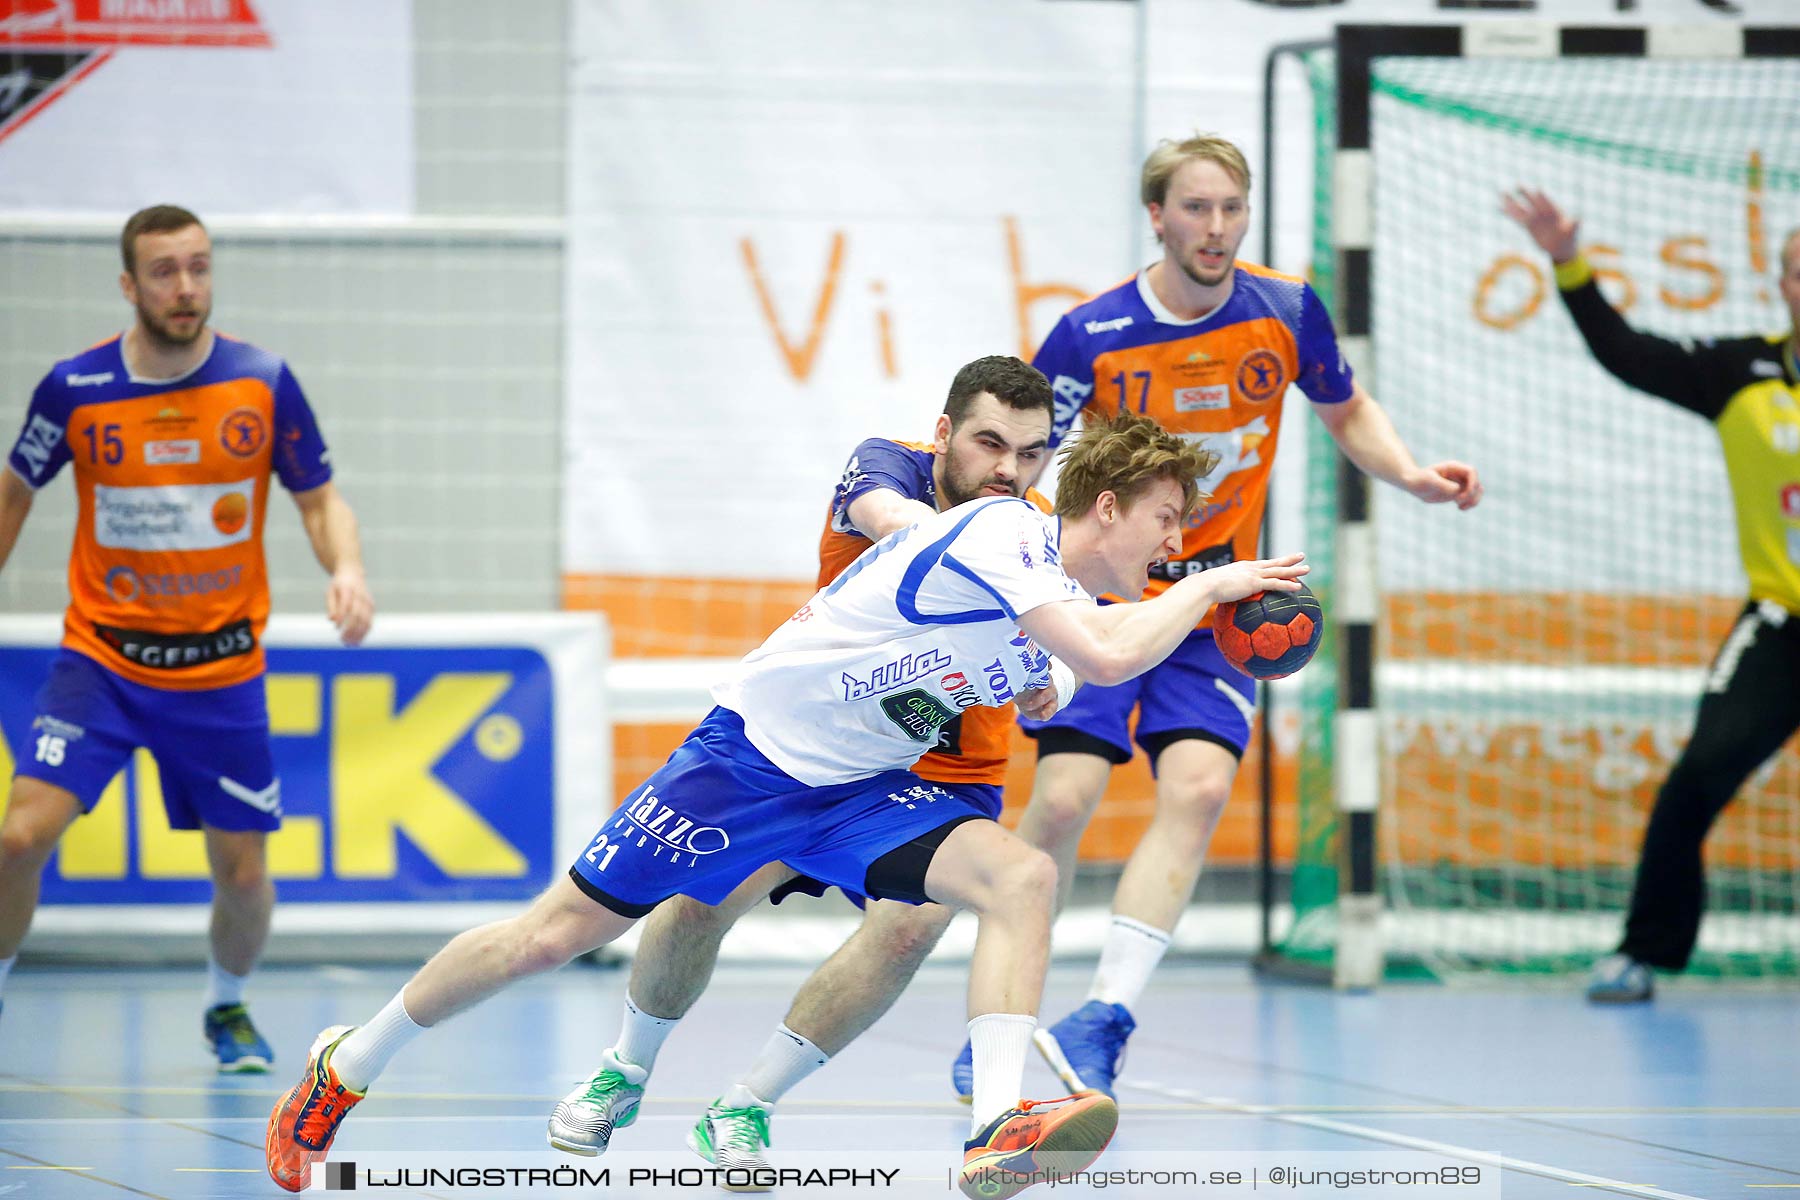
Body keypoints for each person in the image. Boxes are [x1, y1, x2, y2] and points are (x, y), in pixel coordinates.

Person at [264, 404, 1309, 1200]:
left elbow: (1082, 664)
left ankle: (996, 1124)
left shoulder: (1069, 606)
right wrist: (1213, 592)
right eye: (1168, 520)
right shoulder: (1004, 529)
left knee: (1022, 875)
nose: (1176, 546)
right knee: (553, 935)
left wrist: (1050, 675)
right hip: (748, 760)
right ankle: (347, 1065)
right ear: (1110, 506)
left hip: (858, 788)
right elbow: (1114, 648)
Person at [999, 133, 1482, 1098]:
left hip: (1226, 598)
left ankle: (1103, 1018)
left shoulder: (1288, 310)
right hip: (1108, 594)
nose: (1215, 228)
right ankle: (1003, 1012)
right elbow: (1020, 461)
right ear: (1158, 217)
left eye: (1231, 209)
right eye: (1196, 209)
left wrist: (1415, 476)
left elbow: (1346, 411)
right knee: (1058, 804)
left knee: (1199, 792)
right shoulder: (1088, 336)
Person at [544, 355, 1055, 1175]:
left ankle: (745, 1105)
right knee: (707, 897)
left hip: (952, 762)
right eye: (992, 444)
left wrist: (1054, 672)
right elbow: (892, 519)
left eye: (1032, 455)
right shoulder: (887, 468)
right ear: (944, 435)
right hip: (823, 741)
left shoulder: (1035, 528)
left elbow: (1067, 642)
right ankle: (624, 1069)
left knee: (903, 936)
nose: (1010, 470)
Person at [0, 205, 374, 1069]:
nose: (186, 288)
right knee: (19, 837)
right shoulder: (75, 388)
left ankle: (227, 1006)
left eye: (199, 267)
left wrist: (346, 568)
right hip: (101, 663)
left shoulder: (261, 381)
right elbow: (15, 491)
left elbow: (318, 498)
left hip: (219, 675)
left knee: (243, 875)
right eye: (165, 271)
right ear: (130, 285)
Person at [1503, 187, 1800, 1005]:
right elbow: (1625, 351)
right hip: (1781, 627)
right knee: (1696, 778)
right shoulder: (1741, 371)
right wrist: (1568, 263)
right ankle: (1645, 952)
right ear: (1784, 286)